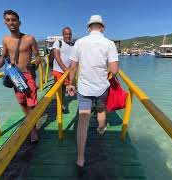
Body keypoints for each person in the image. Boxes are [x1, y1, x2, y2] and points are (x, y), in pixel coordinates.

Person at [67, 15, 120, 169]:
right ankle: (101, 129)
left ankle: (80, 158)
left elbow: (73, 67)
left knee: (83, 120)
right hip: (101, 87)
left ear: (89, 27)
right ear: (102, 28)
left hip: (84, 87)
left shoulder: (79, 43)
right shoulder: (109, 44)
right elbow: (114, 69)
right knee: (101, 109)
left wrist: (71, 83)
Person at [0, 10, 41, 142]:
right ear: (5, 22)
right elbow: (3, 56)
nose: (11, 22)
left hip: (28, 75)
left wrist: (35, 64)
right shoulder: (5, 40)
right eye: (8, 20)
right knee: (22, 102)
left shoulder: (29, 39)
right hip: (15, 77)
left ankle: (33, 130)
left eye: (13, 20)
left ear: (19, 22)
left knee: (32, 104)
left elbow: (38, 56)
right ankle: (32, 125)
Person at [52, 27, 74, 111]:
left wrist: (69, 70)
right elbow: (57, 56)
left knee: (64, 88)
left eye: (69, 34)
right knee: (59, 88)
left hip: (67, 71)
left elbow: (73, 59)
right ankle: (59, 105)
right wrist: (64, 69)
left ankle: (62, 103)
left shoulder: (73, 45)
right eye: (66, 34)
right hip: (58, 70)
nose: (68, 36)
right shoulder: (58, 42)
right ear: (63, 35)